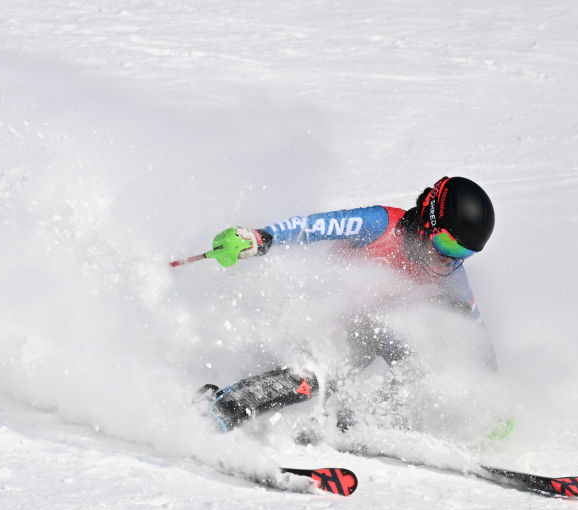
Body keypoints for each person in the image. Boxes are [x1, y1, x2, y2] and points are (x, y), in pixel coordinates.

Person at [199, 176, 498, 434]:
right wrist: (262, 238)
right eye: (447, 244)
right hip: (320, 316)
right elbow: (316, 227)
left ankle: (356, 422)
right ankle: (221, 408)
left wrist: (491, 395)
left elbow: (473, 330)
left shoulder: (451, 274)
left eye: (463, 253)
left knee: (418, 359)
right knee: (312, 379)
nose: (448, 259)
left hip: (366, 337)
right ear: (427, 223)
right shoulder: (380, 224)